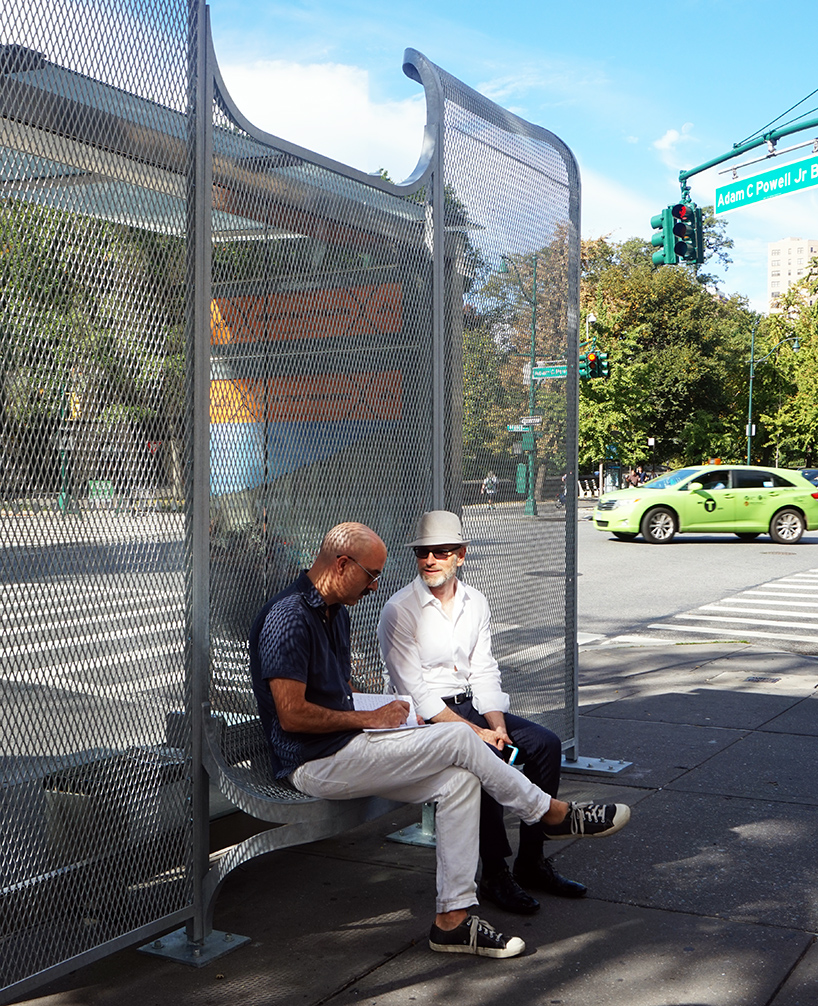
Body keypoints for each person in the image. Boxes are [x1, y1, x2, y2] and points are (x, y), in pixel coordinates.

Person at [250, 521, 631, 958]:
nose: (375, 587)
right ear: (341, 564)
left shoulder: (335, 612)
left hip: (349, 748)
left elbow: (338, 691)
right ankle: (549, 813)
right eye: (371, 575)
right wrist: (369, 718)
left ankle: (453, 920)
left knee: (460, 782)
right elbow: (292, 715)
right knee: (459, 738)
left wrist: (381, 710)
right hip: (314, 761)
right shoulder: (289, 616)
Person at [378, 510, 623, 916]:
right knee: (486, 758)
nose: (430, 560)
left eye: (441, 551)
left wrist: (496, 725)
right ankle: (494, 873)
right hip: (424, 719)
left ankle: (532, 861)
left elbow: (484, 670)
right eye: (422, 552)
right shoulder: (399, 610)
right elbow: (416, 694)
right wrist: (479, 735)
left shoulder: (475, 602)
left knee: (544, 745)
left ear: (461, 555)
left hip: (470, 705)